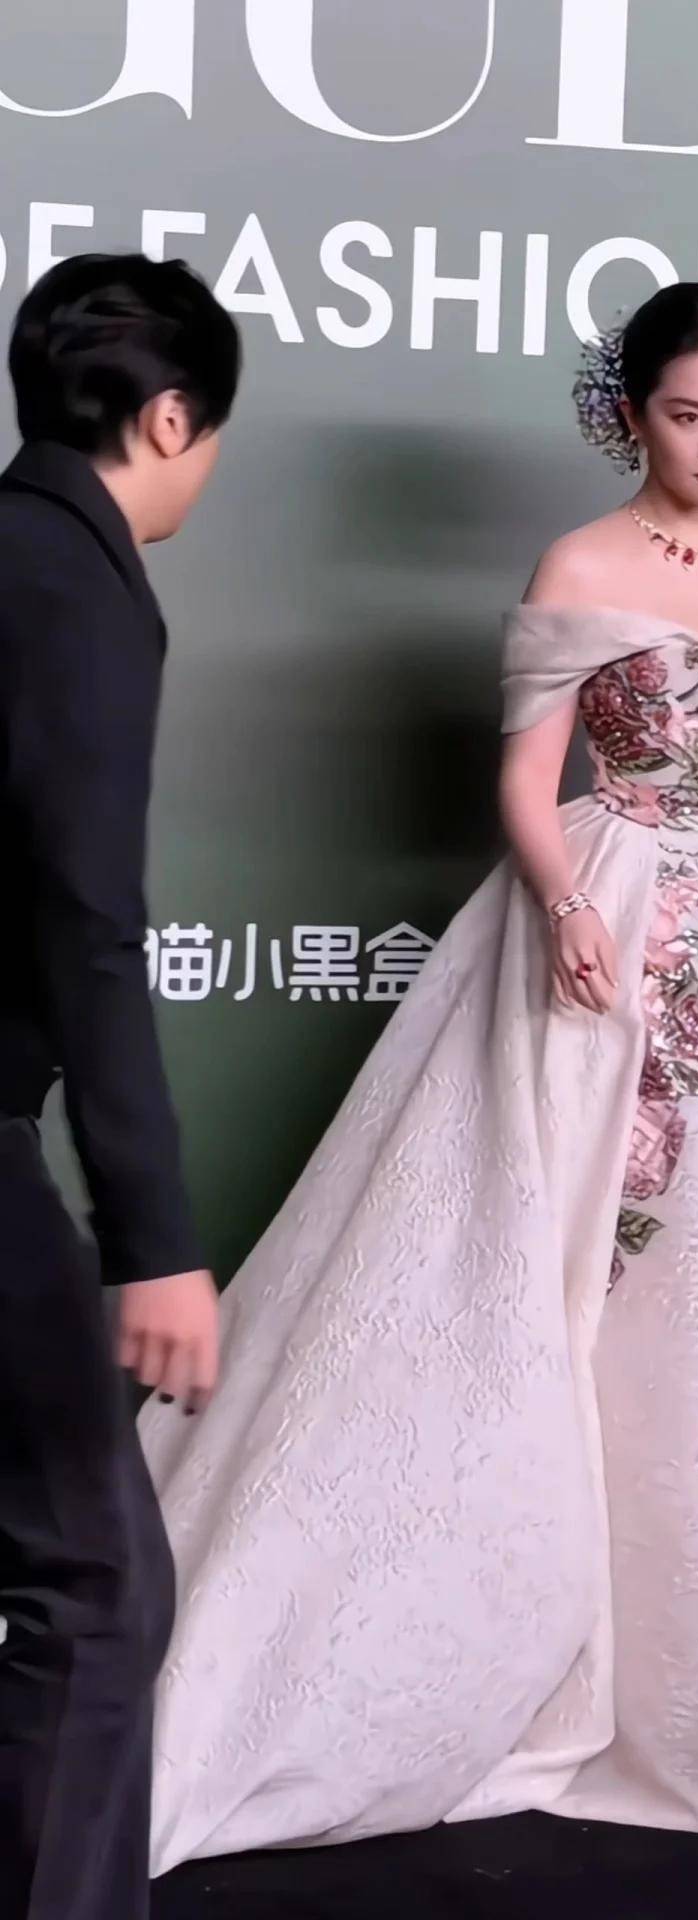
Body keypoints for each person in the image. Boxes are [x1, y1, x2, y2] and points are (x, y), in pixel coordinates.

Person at [140, 282, 698, 1873]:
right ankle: (589, 1676)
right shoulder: (580, 567)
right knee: (608, 1294)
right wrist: (570, 903)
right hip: (624, 931)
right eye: (685, 415)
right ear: (627, 415)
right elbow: (527, 778)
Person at [0, 253, 240, 1920]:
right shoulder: (75, 576)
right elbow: (85, 917)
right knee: (96, 1587)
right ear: (167, 420)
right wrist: (152, 1241)